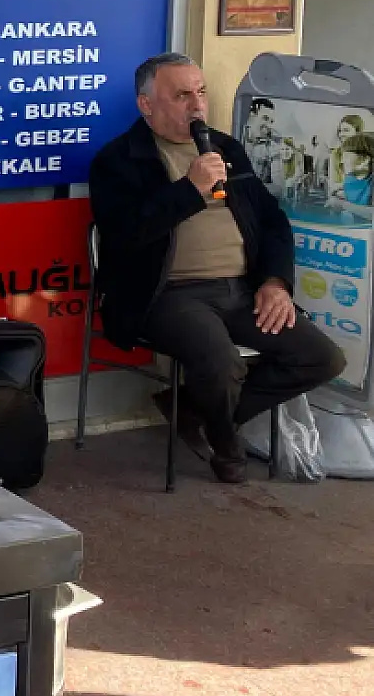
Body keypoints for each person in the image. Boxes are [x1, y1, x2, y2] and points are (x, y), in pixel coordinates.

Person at [88, 54, 346, 483]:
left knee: (322, 358)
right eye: (182, 95)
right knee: (221, 362)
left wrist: (275, 282)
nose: (197, 105)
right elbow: (125, 236)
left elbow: (272, 221)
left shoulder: (225, 148)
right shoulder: (118, 161)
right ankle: (227, 449)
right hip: (167, 294)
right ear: (146, 105)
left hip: (242, 289)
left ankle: (195, 410)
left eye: (201, 92)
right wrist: (190, 190)